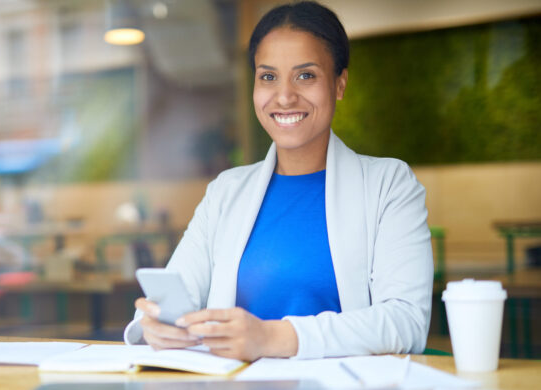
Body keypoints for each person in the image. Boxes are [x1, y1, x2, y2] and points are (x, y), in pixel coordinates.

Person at [124, 1, 433, 361]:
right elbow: (175, 296)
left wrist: (272, 337)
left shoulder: (389, 184)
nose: (284, 97)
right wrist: (158, 326)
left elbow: (406, 321)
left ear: (339, 84)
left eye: (306, 75)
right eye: (268, 77)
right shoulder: (227, 191)